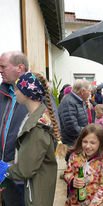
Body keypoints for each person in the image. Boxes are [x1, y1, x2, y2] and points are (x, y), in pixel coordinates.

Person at [0, 72, 62, 206]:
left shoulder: (37, 127)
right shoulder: (33, 117)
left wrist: (4, 169)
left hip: (35, 194)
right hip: (33, 188)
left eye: (18, 89)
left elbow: (25, 170)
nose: (14, 93)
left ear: (28, 93)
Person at [0, 51, 29, 206]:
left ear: (20, 68)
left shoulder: (39, 95)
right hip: (5, 174)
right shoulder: (2, 94)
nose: (0, 70)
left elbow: (49, 140)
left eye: (3, 66)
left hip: (27, 178)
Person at [64, 124, 103, 206]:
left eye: (92, 143)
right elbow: (67, 173)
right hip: (74, 202)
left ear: (100, 143)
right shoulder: (75, 156)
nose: (88, 146)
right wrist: (72, 181)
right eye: (85, 141)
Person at [58, 79, 90, 148]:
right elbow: (72, 129)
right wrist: (88, 130)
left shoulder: (80, 101)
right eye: (89, 91)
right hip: (72, 144)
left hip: (78, 141)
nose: (90, 93)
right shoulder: (69, 103)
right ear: (82, 91)